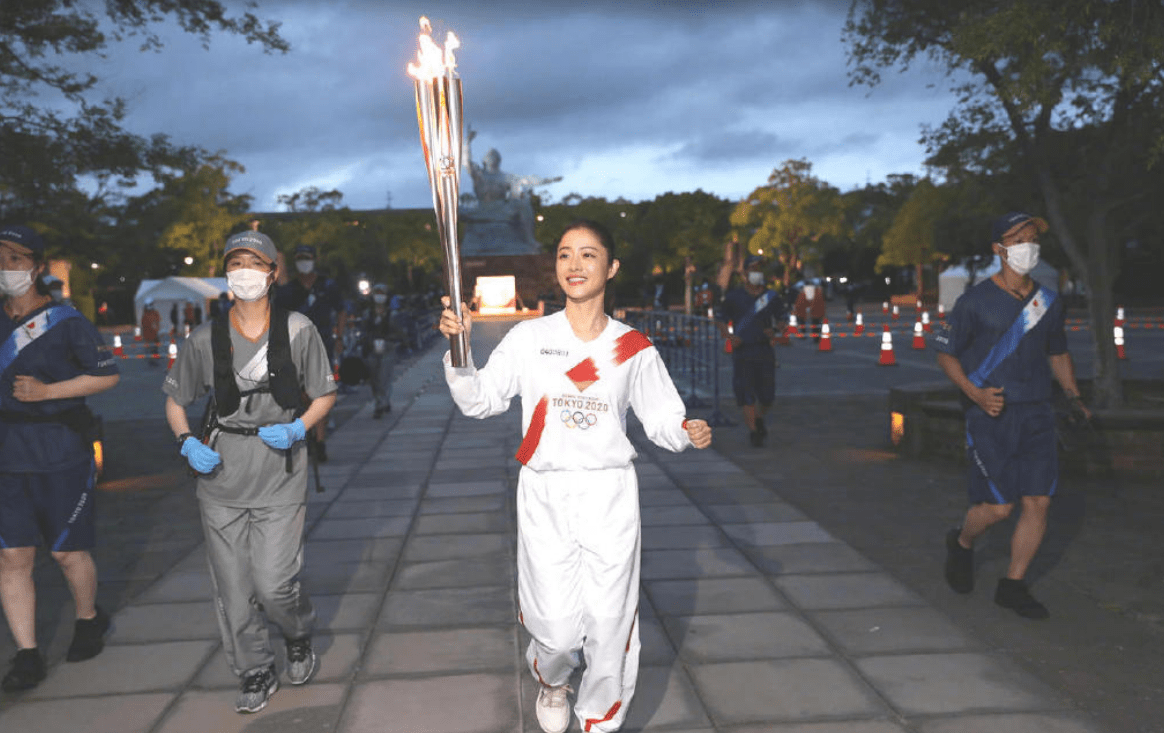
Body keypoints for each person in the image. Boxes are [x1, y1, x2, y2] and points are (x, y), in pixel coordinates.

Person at [439, 219, 712, 733]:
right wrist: (460, 353)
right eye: (565, 254)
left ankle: (599, 720)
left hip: (609, 492)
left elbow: (661, 418)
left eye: (588, 255)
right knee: (557, 632)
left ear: (610, 268)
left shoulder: (633, 347)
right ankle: (552, 678)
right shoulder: (529, 337)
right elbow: (481, 401)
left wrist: (685, 430)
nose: (575, 264)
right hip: (546, 492)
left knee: (610, 623)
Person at [163, 231, 336, 713]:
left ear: (272, 272)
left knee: (275, 581)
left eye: (254, 263)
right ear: (225, 274)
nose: (245, 272)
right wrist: (187, 442)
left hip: (279, 468)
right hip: (221, 473)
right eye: (235, 263)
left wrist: (299, 428)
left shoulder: (298, 329)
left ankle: (298, 632)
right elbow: (175, 401)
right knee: (234, 588)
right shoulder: (205, 337)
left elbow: (324, 393)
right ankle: (254, 668)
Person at [935, 211, 1090, 619]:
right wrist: (975, 393)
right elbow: (946, 353)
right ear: (998, 248)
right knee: (998, 508)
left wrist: (1072, 396)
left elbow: (1057, 352)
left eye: (1033, 236)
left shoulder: (1049, 302)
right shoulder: (973, 301)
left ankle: (1013, 584)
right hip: (991, 413)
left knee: (1038, 501)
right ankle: (962, 542)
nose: (1029, 244)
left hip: (1038, 412)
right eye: (1019, 237)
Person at [0, 225, 119, 691]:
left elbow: (106, 377)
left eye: (14, 258)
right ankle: (27, 655)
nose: (5, 267)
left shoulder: (65, 321)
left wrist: (50, 392)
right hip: (8, 455)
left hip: (60, 449)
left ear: (37, 266)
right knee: (12, 558)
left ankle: (88, 618)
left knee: (68, 552)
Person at [275, 244, 345, 462]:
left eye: (307, 257)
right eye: (299, 257)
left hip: (322, 344)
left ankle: (320, 441)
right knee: (303, 396)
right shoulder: (288, 290)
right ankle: (310, 436)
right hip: (296, 348)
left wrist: (340, 337)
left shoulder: (328, 285)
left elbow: (341, 310)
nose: (303, 261)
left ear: (315, 259)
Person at [715, 254, 787, 447]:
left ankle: (759, 418)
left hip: (764, 350)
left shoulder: (771, 297)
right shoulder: (734, 297)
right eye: (753, 269)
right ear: (745, 273)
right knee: (746, 394)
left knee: (767, 397)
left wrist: (776, 329)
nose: (757, 273)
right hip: (743, 351)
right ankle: (754, 432)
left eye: (759, 269)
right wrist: (729, 337)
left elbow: (782, 319)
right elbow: (720, 318)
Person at [361, 283, 404, 419]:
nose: (379, 296)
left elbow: (399, 332)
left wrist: (390, 340)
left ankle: (381, 402)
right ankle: (380, 399)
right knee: (374, 378)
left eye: (382, 293)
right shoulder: (368, 314)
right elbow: (364, 331)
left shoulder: (393, 314)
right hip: (372, 349)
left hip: (387, 349)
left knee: (384, 376)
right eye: (376, 293)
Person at [141, 298, 162, 367]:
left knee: (156, 346)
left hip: (154, 333)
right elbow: (146, 325)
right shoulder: (146, 315)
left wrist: (157, 329)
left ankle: (155, 356)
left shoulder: (154, 313)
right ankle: (152, 361)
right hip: (149, 335)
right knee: (151, 348)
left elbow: (158, 321)